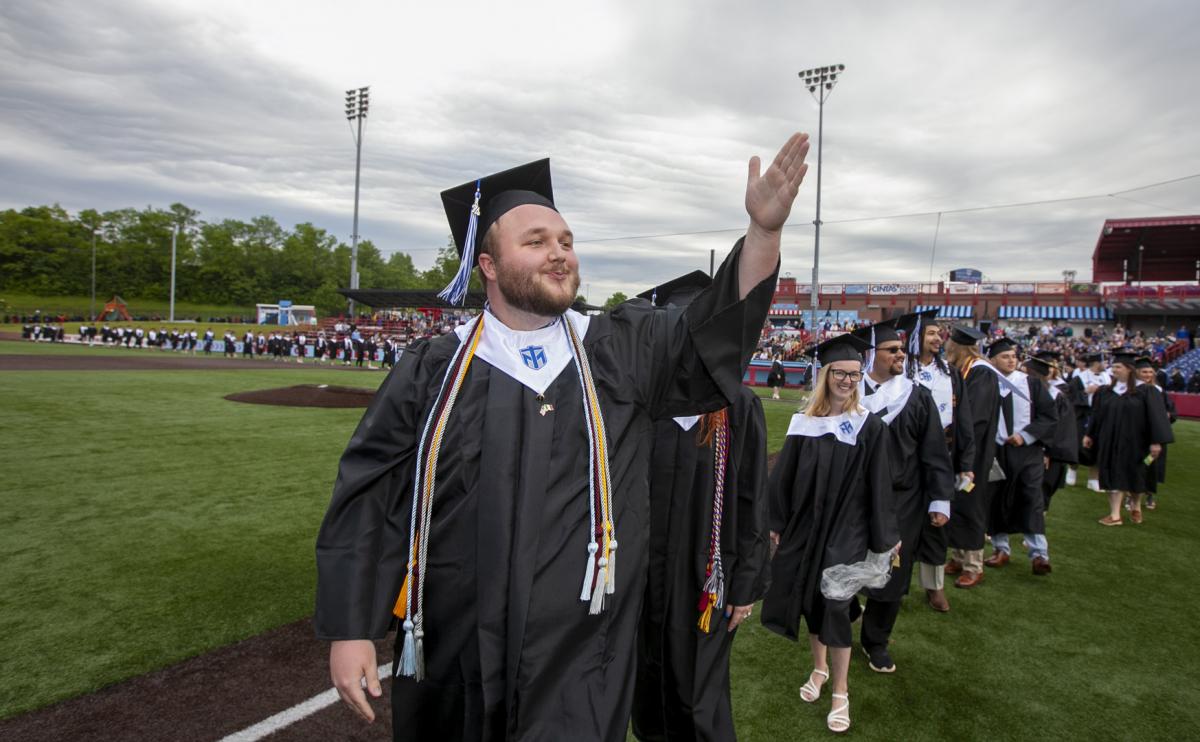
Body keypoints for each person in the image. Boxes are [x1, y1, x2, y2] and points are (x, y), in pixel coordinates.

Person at [316, 137, 810, 741]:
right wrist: (351, 627)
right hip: (456, 655)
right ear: (489, 266)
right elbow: (370, 497)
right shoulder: (433, 371)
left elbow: (712, 337)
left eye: (566, 242)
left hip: (584, 662)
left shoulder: (619, 349)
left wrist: (762, 235)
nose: (559, 254)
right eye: (537, 241)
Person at [631, 270, 770, 742]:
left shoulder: (738, 406)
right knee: (643, 689)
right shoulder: (638, 403)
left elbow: (752, 496)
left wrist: (747, 583)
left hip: (708, 577)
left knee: (698, 700)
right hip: (640, 576)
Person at [761, 333, 899, 735]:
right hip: (807, 528)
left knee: (836, 606)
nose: (848, 381)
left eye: (855, 375)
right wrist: (776, 524)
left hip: (847, 531)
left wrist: (885, 535)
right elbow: (782, 480)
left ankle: (841, 690)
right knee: (810, 601)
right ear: (826, 375)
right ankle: (819, 669)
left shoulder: (868, 426)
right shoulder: (805, 423)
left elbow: (880, 484)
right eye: (841, 373)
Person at [849, 317, 953, 666]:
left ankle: (876, 640)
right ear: (869, 356)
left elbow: (934, 452)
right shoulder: (846, 395)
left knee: (891, 571)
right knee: (842, 559)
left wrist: (939, 500)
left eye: (901, 350)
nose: (901, 355)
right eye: (892, 350)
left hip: (902, 500)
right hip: (853, 497)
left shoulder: (916, 397)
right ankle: (844, 610)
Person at [898, 309, 975, 610]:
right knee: (902, 521)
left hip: (942, 454)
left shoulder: (950, 373)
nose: (938, 338)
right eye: (931, 333)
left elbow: (963, 419)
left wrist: (966, 463)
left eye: (939, 333)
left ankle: (934, 585)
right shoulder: (901, 370)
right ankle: (896, 580)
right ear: (915, 337)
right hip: (906, 456)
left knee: (938, 522)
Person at [982, 338, 1058, 575]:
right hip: (995, 451)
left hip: (1027, 452)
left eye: (1014, 356)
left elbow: (1049, 416)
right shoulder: (985, 382)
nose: (1011, 360)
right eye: (1005, 356)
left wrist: (1025, 436)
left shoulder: (1031, 384)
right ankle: (1000, 549)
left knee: (1031, 498)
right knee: (996, 500)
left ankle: (1039, 555)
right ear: (992, 360)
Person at [1085, 353, 1174, 525]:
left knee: (1136, 475)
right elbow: (1097, 414)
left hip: (1136, 442)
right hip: (1109, 441)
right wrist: (1090, 434)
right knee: (1112, 473)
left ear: (1129, 370)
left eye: (1118, 367)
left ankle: (1136, 505)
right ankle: (1115, 514)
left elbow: (1156, 417)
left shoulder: (1147, 391)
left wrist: (1156, 442)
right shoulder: (1106, 391)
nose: (1114, 370)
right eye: (1113, 366)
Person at [943, 325, 998, 589]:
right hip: (959, 450)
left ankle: (974, 565)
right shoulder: (964, 371)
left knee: (971, 505)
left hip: (973, 453)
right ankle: (958, 555)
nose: (945, 349)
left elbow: (974, 418)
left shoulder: (981, 373)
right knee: (957, 503)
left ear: (957, 347)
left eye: (948, 346)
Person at [1023, 353, 1078, 512]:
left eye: (1024, 371)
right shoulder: (1021, 391)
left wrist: (1047, 450)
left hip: (1045, 453)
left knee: (1040, 493)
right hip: (1022, 448)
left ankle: (1033, 534)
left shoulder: (1056, 396)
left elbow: (1060, 428)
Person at [1135, 356, 1176, 511]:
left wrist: (1168, 416)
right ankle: (1132, 495)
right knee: (1138, 466)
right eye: (1144, 372)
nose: (1148, 375)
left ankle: (1150, 494)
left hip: (1154, 438)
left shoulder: (1159, 391)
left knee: (1151, 466)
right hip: (1138, 437)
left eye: (1150, 372)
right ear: (1137, 373)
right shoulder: (1132, 390)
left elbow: (1172, 411)